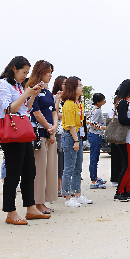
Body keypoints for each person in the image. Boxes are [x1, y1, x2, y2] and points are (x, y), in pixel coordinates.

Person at [0, 55, 50, 225]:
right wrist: (26, 93)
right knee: (13, 173)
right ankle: (10, 212)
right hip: (12, 133)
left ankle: (30, 207)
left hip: (24, 131)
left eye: (27, 72)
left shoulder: (18, 86)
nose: (25, 75)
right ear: (14, 68)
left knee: (29, 171)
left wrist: (32, 95)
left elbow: (25, 108)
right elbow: (8, 109)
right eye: (23, 72)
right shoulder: (2, 84)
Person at [29, 60, 59, 214]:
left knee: (50, 169)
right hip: (39, 135)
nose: (50, 75)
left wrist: (53, 127)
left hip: (50, 134)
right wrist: (49, 128)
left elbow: (54, 110)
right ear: (40, 72)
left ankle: (45, 200)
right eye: (48, 72)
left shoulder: (47, 92)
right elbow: (36, 113)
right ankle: (37, 202)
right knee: (39, 171)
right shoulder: (32, 89)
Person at [61, 76, 93, 207]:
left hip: (77, 137)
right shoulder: (69, 104)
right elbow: (71, 125)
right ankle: (68, 196)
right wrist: (75, 140)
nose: (81, 87)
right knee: (68, 168)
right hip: (71, 137)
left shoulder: (78, 104)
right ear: (72, 88)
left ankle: (77, 193)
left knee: (78, 168)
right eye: (79, 85)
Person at [88, 93, 107, 189]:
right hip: (95, 135)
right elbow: (92, 123)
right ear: (98, 102)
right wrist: (103, 127)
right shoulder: (97, 111)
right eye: (103, 100)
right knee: (94, 158)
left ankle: (95, 177)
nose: (105, 101)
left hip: (95, 135)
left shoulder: (95, 110)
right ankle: (93, 180)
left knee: (95, 158)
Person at [51, 75, 67, 195]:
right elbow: (54, 113)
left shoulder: (67, 99)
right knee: (57, 161)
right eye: (64, 83)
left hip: (65, 131)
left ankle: (61, 185)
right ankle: (57, 186)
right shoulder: (54, 97)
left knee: (63, 161)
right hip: (57, 132)